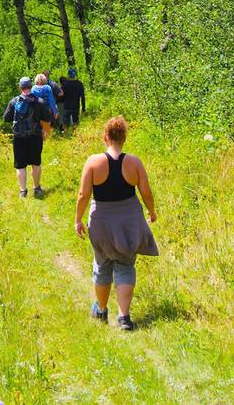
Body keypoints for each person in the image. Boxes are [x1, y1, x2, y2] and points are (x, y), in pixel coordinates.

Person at [75, 116, 158, 330]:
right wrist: (152, 212)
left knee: (102, 265)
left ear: (105, 137)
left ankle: (101, 310)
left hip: (101, 220)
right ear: (124, 138)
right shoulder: (134, 162)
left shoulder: (93, 162)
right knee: (125, 265)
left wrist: (78, 219)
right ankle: (124, 317)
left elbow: (84, 194)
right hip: (129, 220)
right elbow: (146, 192)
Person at [4, 76, 51, 199]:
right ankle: (36, 188)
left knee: (20, 165)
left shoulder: (14, 102)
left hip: (19, 137)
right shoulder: (39, 102)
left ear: (20, 87)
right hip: (35, 136)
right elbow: (47, 118)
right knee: (36, 163)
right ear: (31, 86)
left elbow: (6, 118)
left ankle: (23, 191)